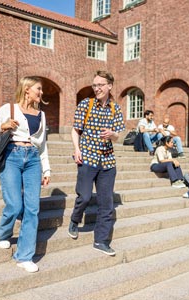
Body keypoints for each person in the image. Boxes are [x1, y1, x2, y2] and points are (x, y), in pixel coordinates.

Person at [0, 76, 51, 273]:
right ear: (27, 89)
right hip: (12, 156)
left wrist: (46, 169)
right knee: (14, 204)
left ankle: (24, 256)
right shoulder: (9, 109)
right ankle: (2, 233)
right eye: (38, 89)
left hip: (32, 159)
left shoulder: (41, 114)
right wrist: (3, 126)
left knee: (32, 208)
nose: (41, 93)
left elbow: (43, 144)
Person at [68, 70, 125, 257]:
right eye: (95, 85)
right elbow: (76, 130)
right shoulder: (86, 104)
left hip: (107, 162)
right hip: (87, 157)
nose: (97, 88)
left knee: (106, 204)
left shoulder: (116, 109)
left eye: (100, 85)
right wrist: (77, 149)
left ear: (109, 86)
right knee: (84, 197)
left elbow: (119, 136)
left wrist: (112, 135)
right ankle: (75, 220)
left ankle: (100, 240)